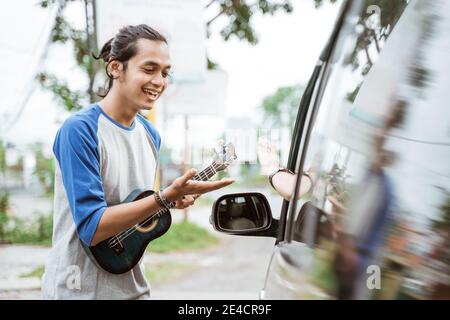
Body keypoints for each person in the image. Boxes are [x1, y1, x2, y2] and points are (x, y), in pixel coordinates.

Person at [41, 24, 234, 300]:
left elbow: (135, 206)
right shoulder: (80, 130)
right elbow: (92, 228)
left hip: (133, 290)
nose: (159, 81)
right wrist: (164, 197)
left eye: (165, 73)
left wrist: (170, 200)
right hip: (79, 292)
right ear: (115, 68)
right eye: (149, 69)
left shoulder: (150, 135)